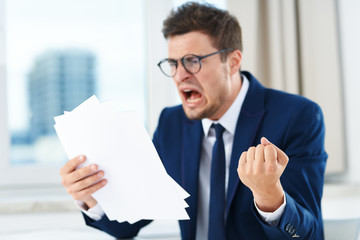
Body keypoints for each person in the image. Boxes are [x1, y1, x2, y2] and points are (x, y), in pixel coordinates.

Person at [60, 2, 327, 240]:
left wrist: (270, 197)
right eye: (173, 63)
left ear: (232, 61)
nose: (180, 75)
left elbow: (308, 234)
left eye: (192, 61)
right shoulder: (171, 123)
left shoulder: (297, 116)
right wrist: (89, 198)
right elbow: (128, 226)